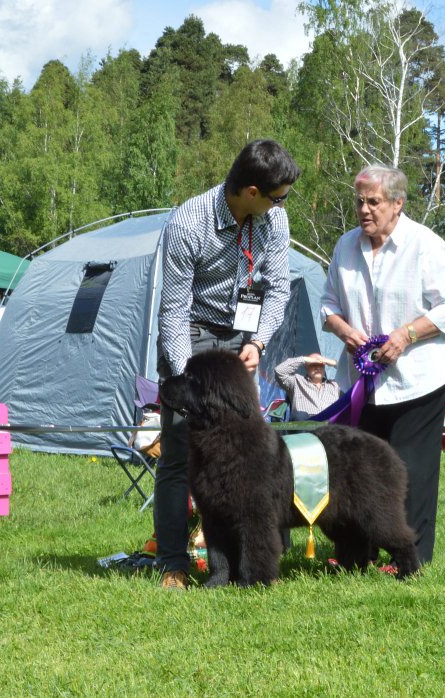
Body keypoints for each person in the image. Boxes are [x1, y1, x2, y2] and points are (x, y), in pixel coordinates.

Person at [155, 139, 300, 590]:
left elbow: (278, 287)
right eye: (277, 197)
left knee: (253, 450)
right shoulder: (189, 222)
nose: (282, 205)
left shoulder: (273, 219)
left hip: (243, 336)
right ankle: (174, 563)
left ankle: (256, 557)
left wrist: (258, 341)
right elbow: (173, 310)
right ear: (251, 192)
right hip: (194, 335)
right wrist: (188, 380)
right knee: (180, 454)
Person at [320, 164, 445, 566]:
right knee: (356, 470)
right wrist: (344, 331)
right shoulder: (345, 246)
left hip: (418, 379)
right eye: (359, 201)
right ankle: (356, 555)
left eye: (374, 202)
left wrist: (407, 334)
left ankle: (409, 558)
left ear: (398, 204)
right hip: (362, 384)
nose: (364, 210)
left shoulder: (426, 245)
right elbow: (328, 305)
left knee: (409, 470)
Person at [274, 352, 341, 420]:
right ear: (306, 367)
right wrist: (304, 359)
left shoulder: (334, 385)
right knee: (300, 415)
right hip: (306, 422)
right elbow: (279, 371)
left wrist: (332, 362)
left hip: (331, 421)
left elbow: (347, 373)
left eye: (320, 365)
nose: (317, 368)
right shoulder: (296, 382)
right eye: (313, 364)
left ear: (324, 366)